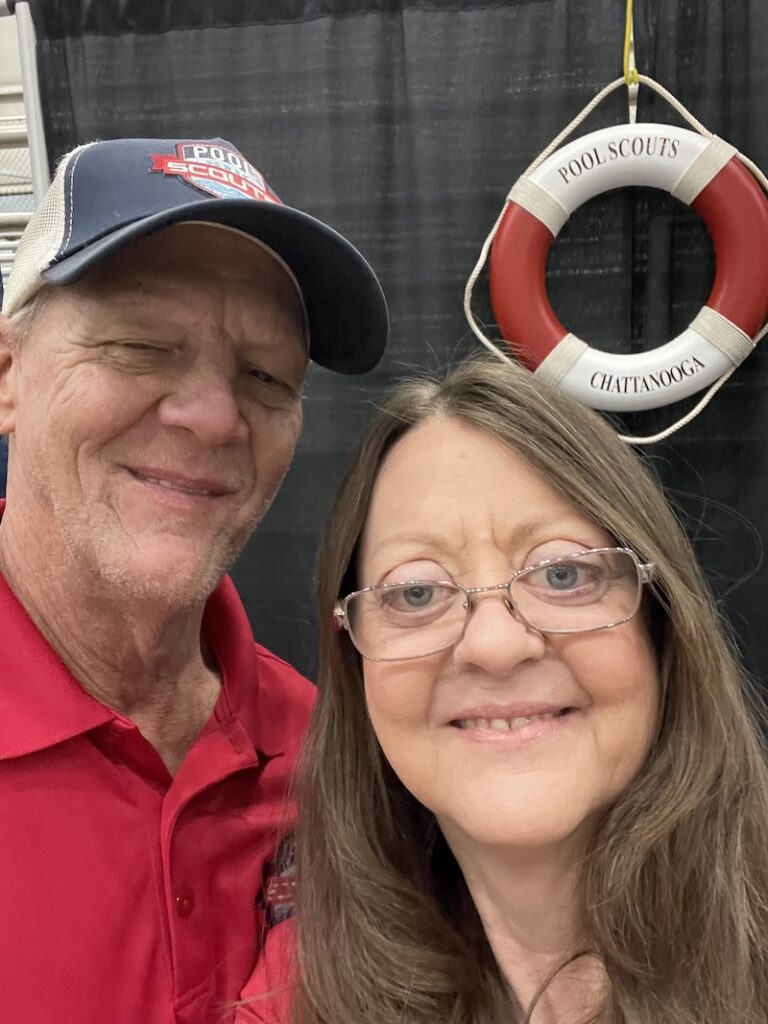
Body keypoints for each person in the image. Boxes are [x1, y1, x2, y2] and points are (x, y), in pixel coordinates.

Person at [239, 356, 768, 1024]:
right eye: (416, 592)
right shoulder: (295, 992)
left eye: (563, 574)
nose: (494, 645)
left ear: (660, 627)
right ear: (353, 660)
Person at [0, 136, 388, 1024]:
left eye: (266, 375)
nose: (215, 418)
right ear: (8, 375)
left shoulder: (326, 753)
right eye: (140, 346)